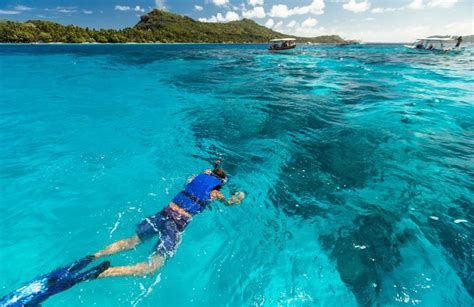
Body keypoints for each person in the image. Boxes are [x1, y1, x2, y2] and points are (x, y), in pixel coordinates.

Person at [93, 161, 245, 277]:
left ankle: (96, 255)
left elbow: (198, 179)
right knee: (153, 267)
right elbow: (229, 203)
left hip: (164, 213)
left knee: (132, 241)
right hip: (176, 223)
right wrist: (238, 197)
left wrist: (213, 168)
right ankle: (109, 272)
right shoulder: (215, 193)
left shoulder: (195, 178)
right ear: (220, 183)